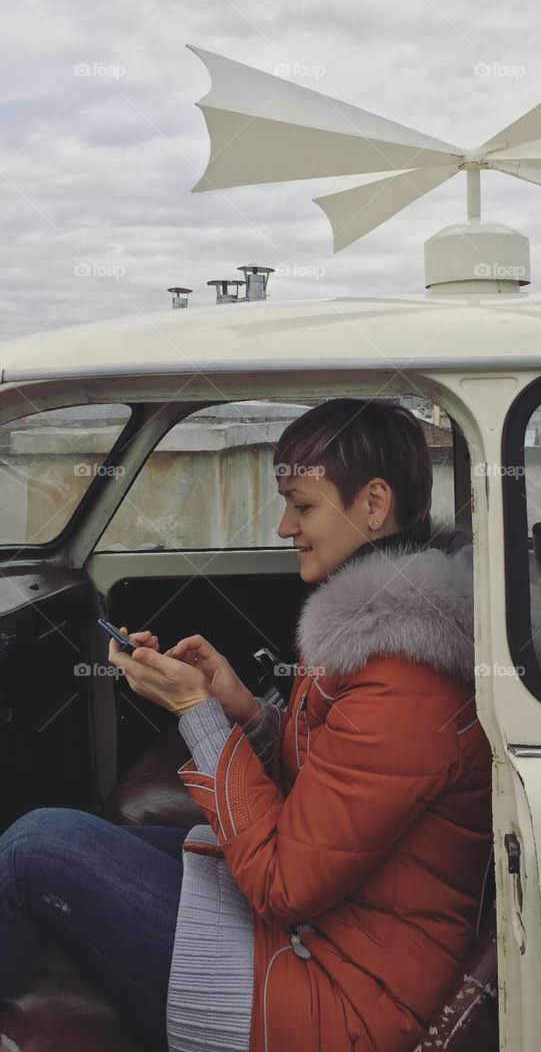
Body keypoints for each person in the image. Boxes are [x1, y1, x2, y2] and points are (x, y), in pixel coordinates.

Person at [0, 398, 493, 1052]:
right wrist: (240, 708)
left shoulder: (406, 675)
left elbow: (285, 885)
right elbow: (331, 784)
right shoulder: (391, 637)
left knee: (40, 848)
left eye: (303, 504)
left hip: (334, 996)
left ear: (373, 505)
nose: (285, 525)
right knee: (64, 837)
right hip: (328, 930)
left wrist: (195, 713)